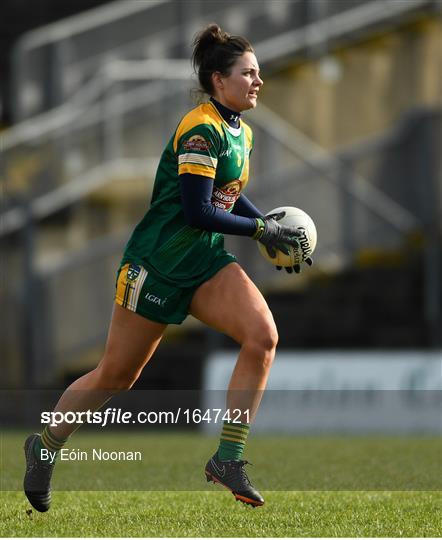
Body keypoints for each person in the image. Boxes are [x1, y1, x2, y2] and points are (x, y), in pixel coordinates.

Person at [23, 23, 312, 511]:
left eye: (258, 73)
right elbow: (198, 210)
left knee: (263, 336)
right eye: (248, 73)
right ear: (218, 81)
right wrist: (262, 232)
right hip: (156, 265)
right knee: (115, 377)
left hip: (202, 262)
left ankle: (228, 458)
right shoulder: (201, 127)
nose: (258, 81)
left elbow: (230, 198)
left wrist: (270, 230)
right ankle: (46, 446)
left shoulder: (243, 134)